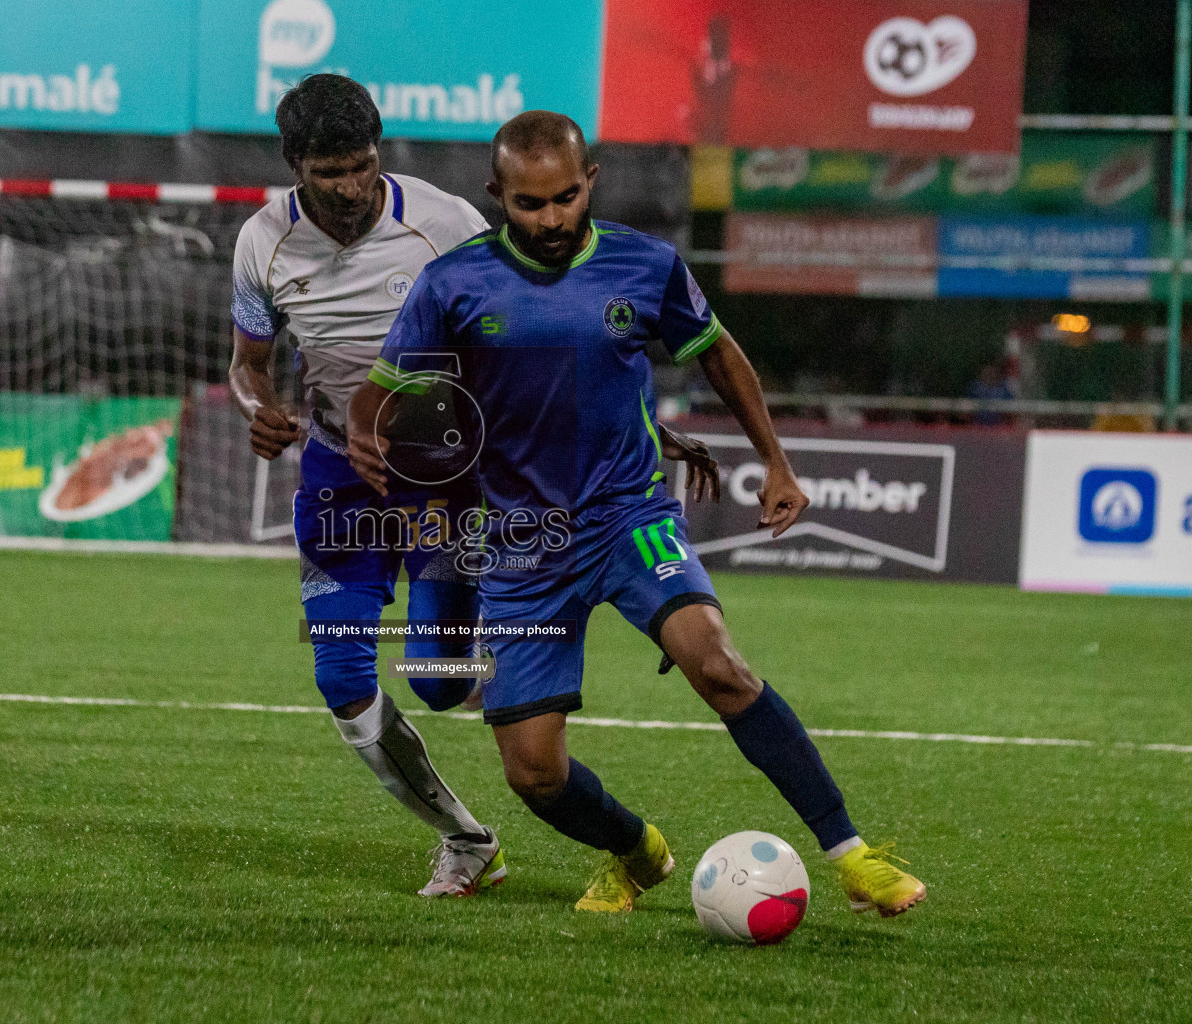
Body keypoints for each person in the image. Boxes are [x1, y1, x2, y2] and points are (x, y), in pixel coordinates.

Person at [347, 111, 926, 916]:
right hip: (521, 543)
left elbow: (717, 352)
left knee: (719, 664)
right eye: (528, 204)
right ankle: (635, 850)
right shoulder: (453, 284)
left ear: (591, 181)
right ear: (497, 196)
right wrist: (367, 433)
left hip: (629, 514)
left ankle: (854, 857)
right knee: (534, 775)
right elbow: (381, 391)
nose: (551, 220)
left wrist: (776, 458)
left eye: (565, 198)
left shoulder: (643, 264)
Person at [227, 74, 504, 897]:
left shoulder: (447, 224)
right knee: (342, 679)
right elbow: (248, 365)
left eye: (363, 165)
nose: (352, 188)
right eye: (331, 173)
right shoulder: (260, 243)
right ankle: (466, 841)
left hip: (440, 479)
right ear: (295, 168)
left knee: (438, 683)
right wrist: (258, 407)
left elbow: (511, 337)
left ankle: (480, 641)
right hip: (336, 475)